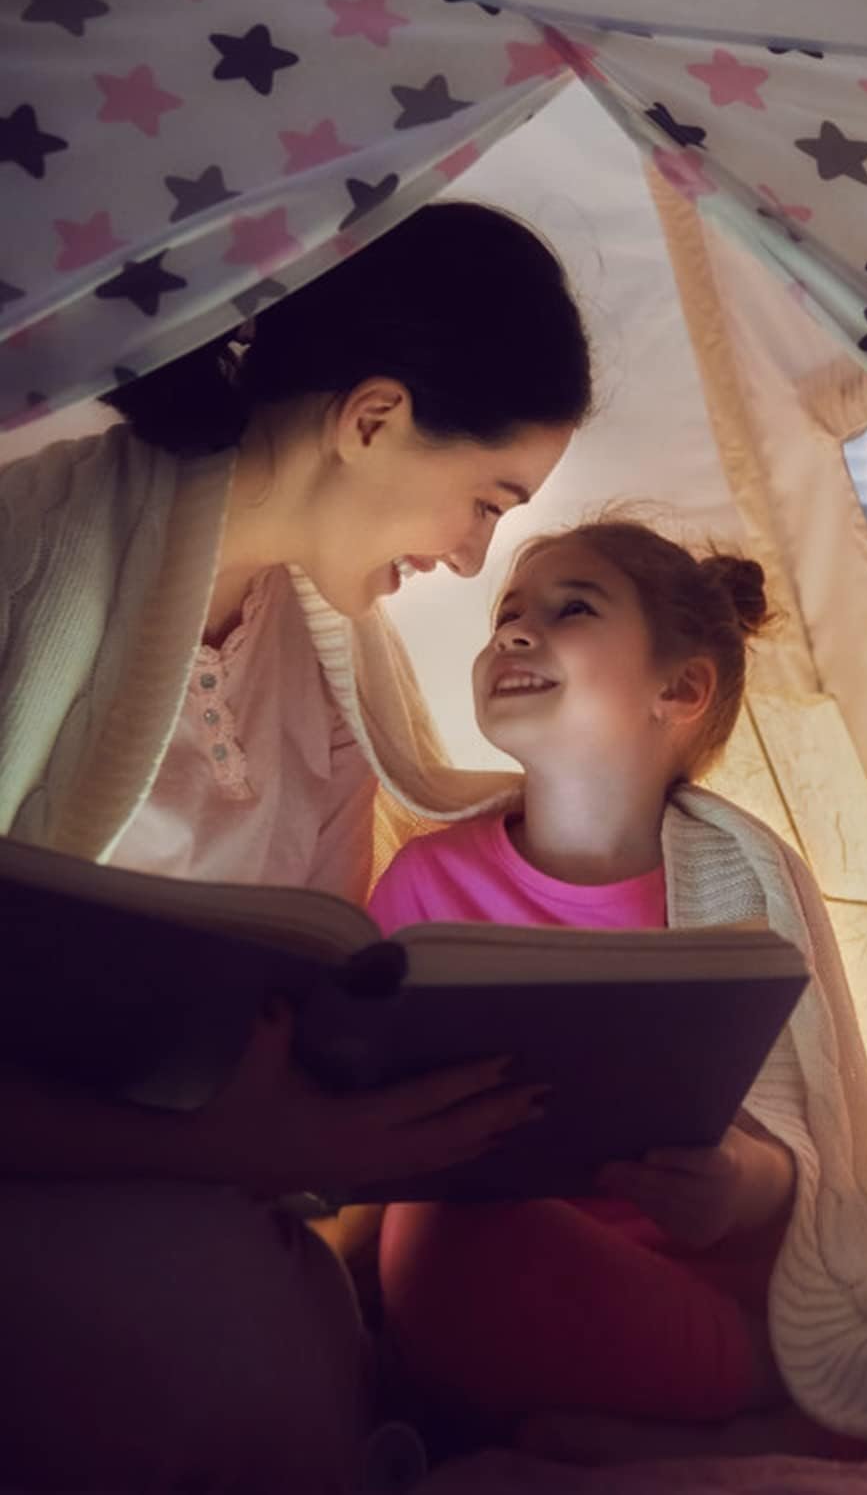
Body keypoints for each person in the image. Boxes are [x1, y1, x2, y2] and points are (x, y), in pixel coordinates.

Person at [0, 201, 591, 1491]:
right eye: (486, 502)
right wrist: (220, 1153)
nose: (471, 559)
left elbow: (313, 993)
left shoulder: (334, 679)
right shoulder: (26, 554)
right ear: (371, 419)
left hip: (208, 1213)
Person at [365, 519, 867, 1466]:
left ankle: (763, 1398)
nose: (514, 631)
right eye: (507, 615)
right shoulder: (425, 881)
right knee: (443, 1242)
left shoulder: (743, 886)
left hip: (693, 1282)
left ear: (679, 691)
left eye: (571, 610)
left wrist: (733, 1185)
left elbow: (808, 1157)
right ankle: (721, 1415)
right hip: (509, 1265)